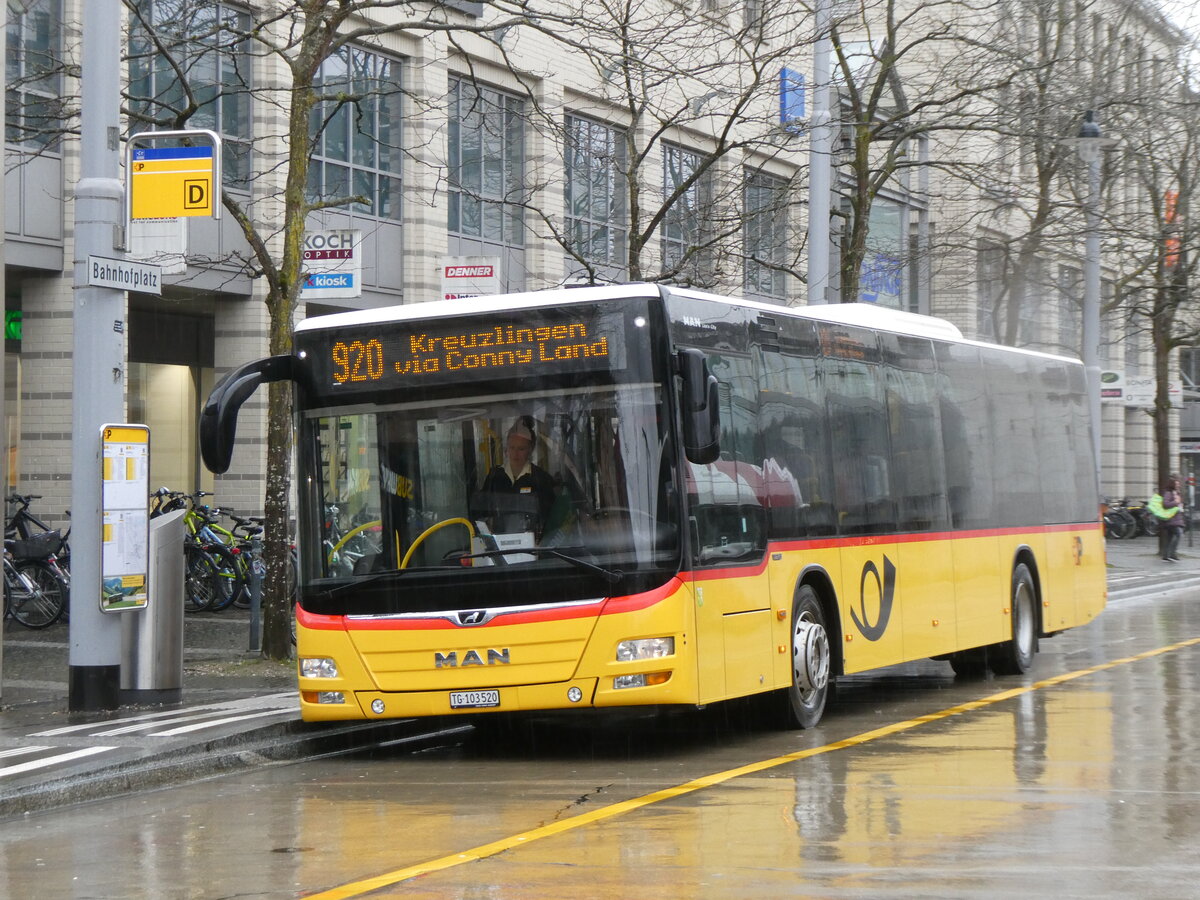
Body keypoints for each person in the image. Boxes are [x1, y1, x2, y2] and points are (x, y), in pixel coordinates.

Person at [478, 417, 557, 535]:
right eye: (512, 448)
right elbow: (481, 512)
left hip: (532, 543)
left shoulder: (541, 478)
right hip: (500, 542)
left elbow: (551, 520)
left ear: (530, 450)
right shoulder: (494, 477)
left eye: (521, 449)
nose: (515, 454)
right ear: (506, 449)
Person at [1149, 476, 1185, 562]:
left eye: (1178, 484)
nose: (1178, 485)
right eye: (1176, 484)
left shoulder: (1176, 493)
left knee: (1170, 537)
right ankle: (1172, 554)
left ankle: (1166, 556)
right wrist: (1176, 502)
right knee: (1179, 534)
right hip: (1171, 519)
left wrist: (1180, 504)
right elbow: (1165, 504)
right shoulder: (1168, 493)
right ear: (1172, 485)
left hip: (1176, 518)